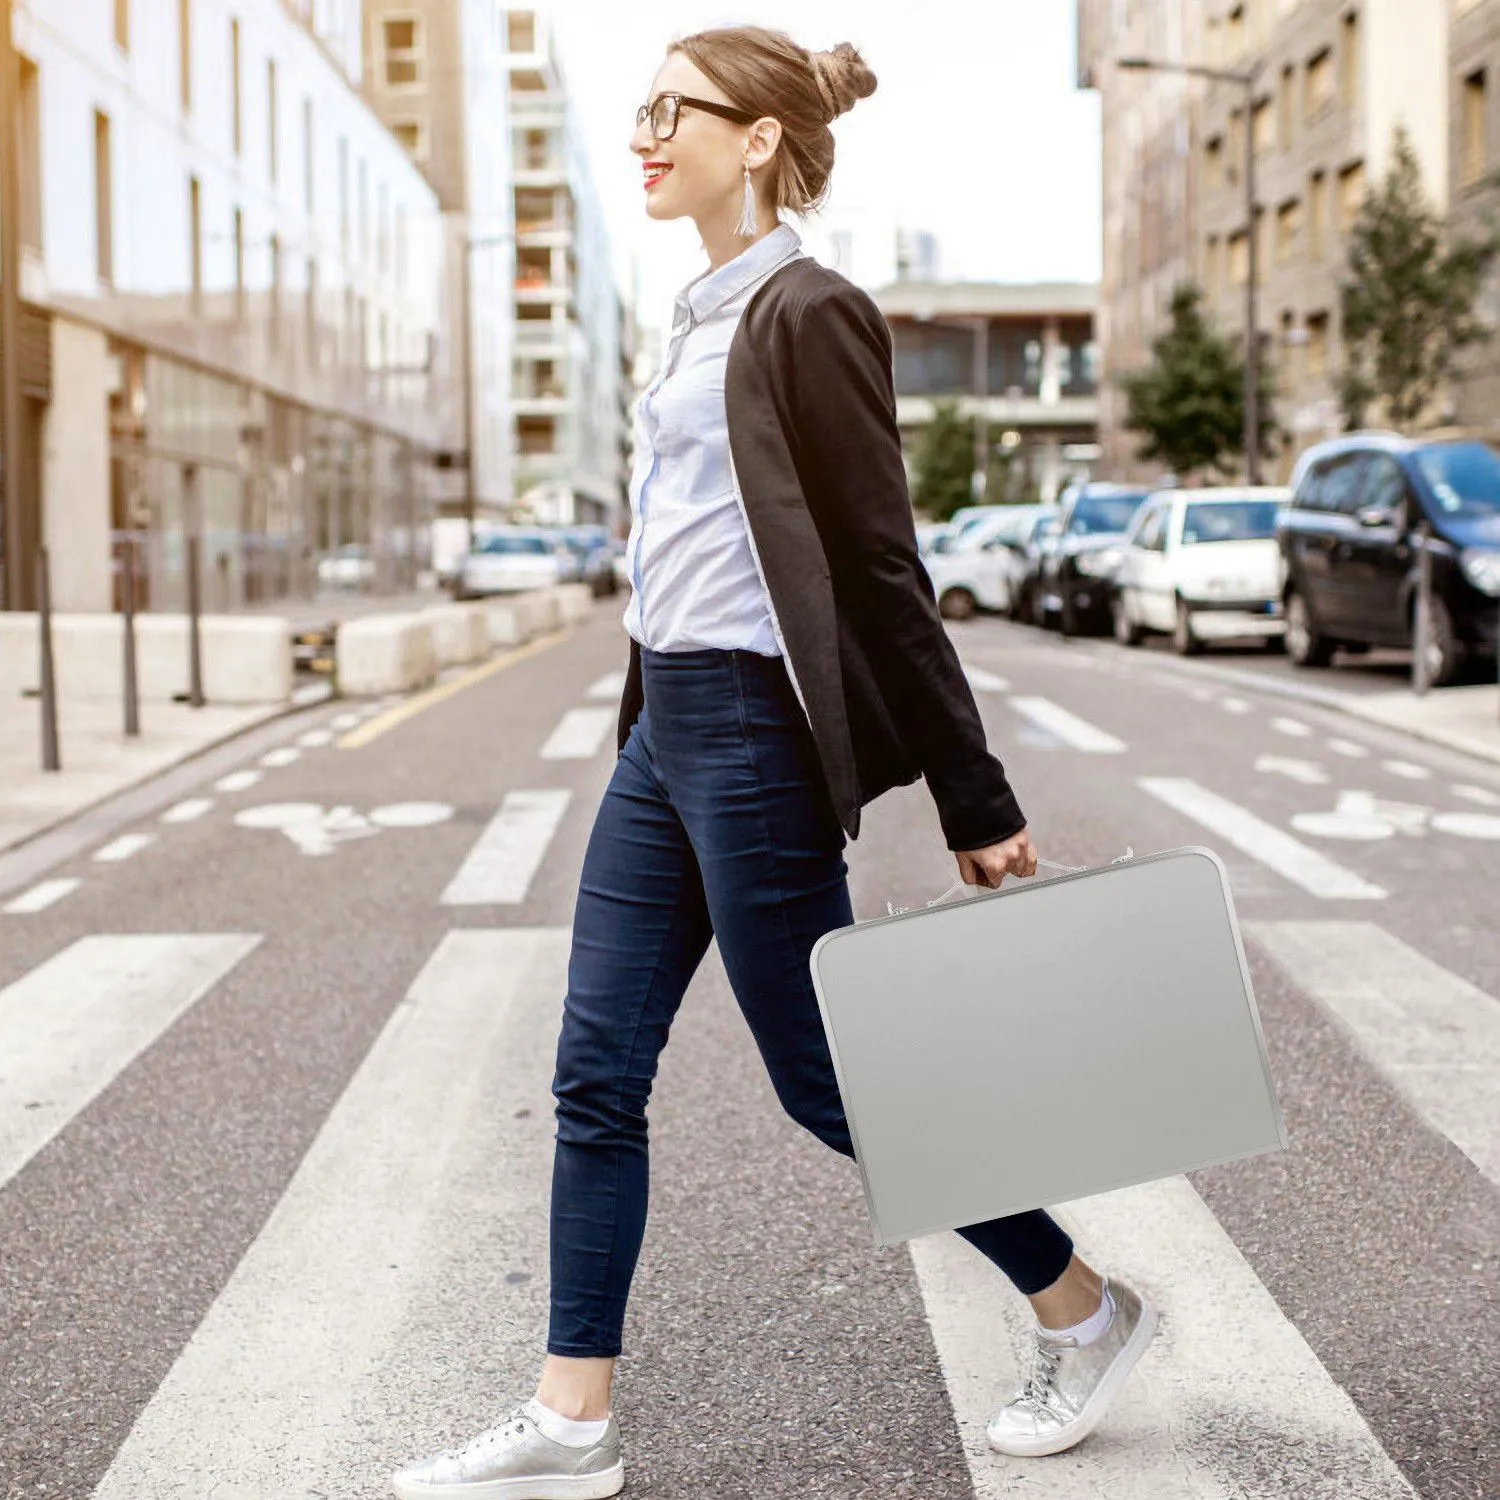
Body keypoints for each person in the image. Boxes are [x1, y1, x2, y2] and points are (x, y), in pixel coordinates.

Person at [393, 26, 1158, 1499]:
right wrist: (639, 722)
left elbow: (883, 567)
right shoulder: (695, 308)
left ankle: (1085, 1305)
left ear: (757, 139)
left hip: (747, 735)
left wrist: (974, 798)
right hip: (661, 737)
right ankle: (571, 1421)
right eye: (643, 105)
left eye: (675, 108)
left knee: (826, 1079)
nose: (647, 129)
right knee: (593, 1075)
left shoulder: (810, 311)